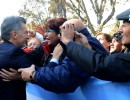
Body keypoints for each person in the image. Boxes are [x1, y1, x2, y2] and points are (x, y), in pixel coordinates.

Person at [0, 18, 107, 93]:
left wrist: (32, 75)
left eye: (63, 32)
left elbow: (64, 77)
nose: (61, 36)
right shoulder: (58, 47)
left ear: (73, 33)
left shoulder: (83, 45)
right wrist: (27, 74)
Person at [60, 8, 130, 81]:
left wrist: (69, 43)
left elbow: (103, 65)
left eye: (124, 25)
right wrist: (87, 47)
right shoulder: (126, 52)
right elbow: (104, 62)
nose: (119, 30)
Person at [0, 16, 32, 100]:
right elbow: (36, 72)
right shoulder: (15, 52)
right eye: (25, 33)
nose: (27, 36)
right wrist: (54, 59)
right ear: (14, 34)